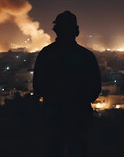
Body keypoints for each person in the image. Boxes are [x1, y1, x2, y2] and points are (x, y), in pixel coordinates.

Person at [33, 11, 101, 157]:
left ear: (56, 30)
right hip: (78, 117)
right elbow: (95, 89)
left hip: (53, 117)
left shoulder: (46, 54)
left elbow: (37, 87)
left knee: (53, 150)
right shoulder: (86, 56)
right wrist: (77, 101)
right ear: (76, 31)